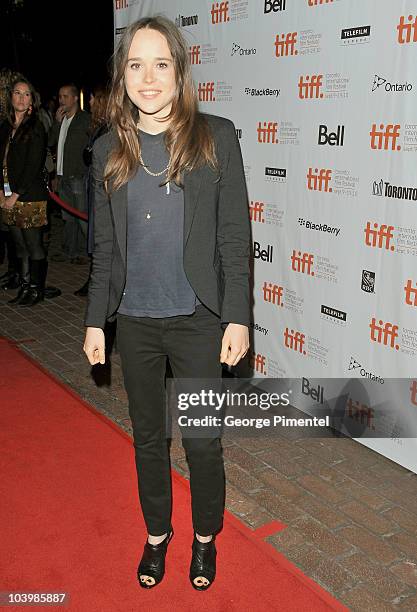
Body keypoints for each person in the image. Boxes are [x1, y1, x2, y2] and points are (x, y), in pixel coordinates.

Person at [83, 16, 250, 591]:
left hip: (200, 321)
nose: (148, 78)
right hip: (135, 323)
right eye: (135, 64)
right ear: (121, 75)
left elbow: (233, 237)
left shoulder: (216, 136)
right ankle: (158, 536)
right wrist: (94, 321)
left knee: (203, 440)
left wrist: (238, 317)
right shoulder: (108, 148)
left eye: (160, 64)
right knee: (148, 438)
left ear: (179, 72)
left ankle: (205, 538)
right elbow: (105, 249)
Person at [0, 77, 49, 306]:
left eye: (26, 93)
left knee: (33, 245)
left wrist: (15, 195)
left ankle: (36, 289)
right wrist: (1, 193)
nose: (21, 97)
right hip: (7, 196)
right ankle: (25, 284)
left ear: (32, 100)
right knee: (19, 245)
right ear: (11, 97)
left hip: (28, 196)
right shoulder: (5, 126)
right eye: (17, 93)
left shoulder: (36, 126)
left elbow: (33, 165)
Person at [48, 83, 90, 264]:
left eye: (65, 96)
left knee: (82, 217)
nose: (61, 100)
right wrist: (56, 124)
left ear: (74, 98)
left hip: (79, 176)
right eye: (59, 96)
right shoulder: (61, 120)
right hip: (63, 175)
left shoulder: (85, 119)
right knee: (68, 218)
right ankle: (69, 250)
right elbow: (51, 142)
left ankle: (84, 253)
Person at [74, 85, 110, 297]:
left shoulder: (108, 129)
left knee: (99, 236)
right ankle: (94, 280)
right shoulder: (98, 127)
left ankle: (97, 282)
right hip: (94, 184)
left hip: (101, 188)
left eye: (92, 99)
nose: (89, 103)